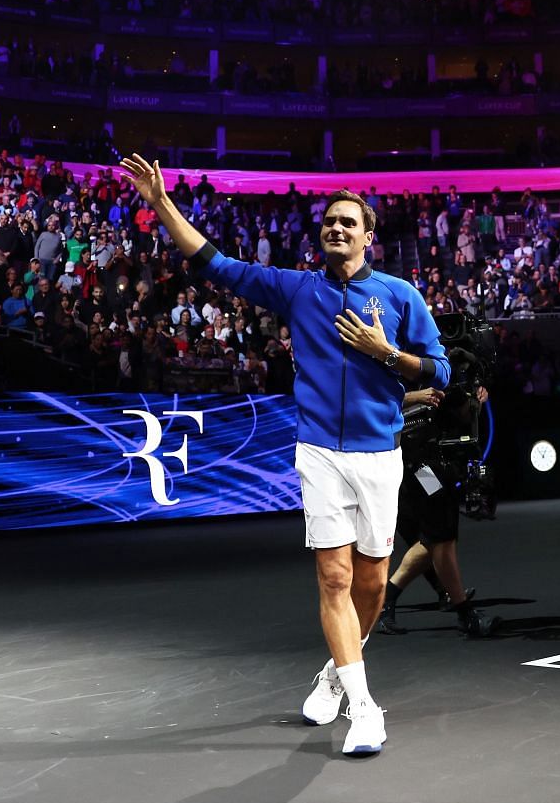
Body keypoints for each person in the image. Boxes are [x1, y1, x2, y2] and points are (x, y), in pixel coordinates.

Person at [118, 155, 449, 757]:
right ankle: (365, 706)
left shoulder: (400, 297)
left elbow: (441, 368)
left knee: (373, 584)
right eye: (329, 221)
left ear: (368, 237)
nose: (336, 229)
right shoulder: (298, 288)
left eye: (348, 222)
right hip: (319, 452)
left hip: (380, 456)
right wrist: (162, 203)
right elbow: (214, 263)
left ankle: (333, 676)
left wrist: (386, 353)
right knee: (334, 577)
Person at [377, 384, 494, 638]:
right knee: (440, 536)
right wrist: (415, 396)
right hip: (413, 464)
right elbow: (375, 400)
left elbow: (456, 415)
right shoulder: (392, 364)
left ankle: (390, 600)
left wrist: (475, 402)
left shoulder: (441, 373)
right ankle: (462, 611)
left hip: (431, 460)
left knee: (437, 537)